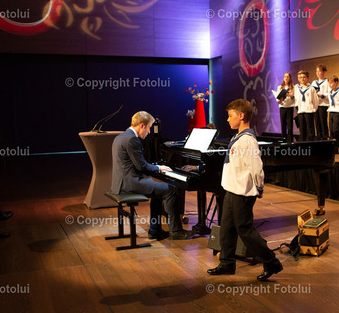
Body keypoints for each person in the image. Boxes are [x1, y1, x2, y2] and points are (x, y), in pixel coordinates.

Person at [207, 99, 283, 281]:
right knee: (226, 228)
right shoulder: (238, 137)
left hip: (242, 192)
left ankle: (271, 262)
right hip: (231, 189)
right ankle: (227, 263)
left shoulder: (248, 140)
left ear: (241, 116)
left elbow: (256, 166)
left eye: (230, 115)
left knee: (245, 230)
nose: (227, 119)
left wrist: (259, 186)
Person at [110, 111, 194, 240]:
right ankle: (176, 231)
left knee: (158, 191)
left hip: (121, 183)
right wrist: (158, 168)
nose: (149, 132)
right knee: (170, 190)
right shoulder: (132, 140)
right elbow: (141, 166)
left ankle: (155, 230)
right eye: (149, 127)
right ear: (142, 125)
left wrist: (156, 168)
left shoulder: (121, 137)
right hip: (130, 184)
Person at [294, 70, 318, 141]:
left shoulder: (311, 88)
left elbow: (315, 100)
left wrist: (313, 109)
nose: (302, 79)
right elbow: (296, 99)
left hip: (309, 111)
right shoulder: (296, 87)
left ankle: (310, 144)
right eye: (301, 77)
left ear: (307, 78)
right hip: (301, 111)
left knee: (310, 129)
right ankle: (303, 144)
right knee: (302, 129)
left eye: (304, 77)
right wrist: (297, 109)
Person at [312, 65, 330, 139]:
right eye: (317, 71)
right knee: (317, 123)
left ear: (324, 72)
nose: (317, 73)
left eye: (319, 71)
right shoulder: (314, 82)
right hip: (316, 105)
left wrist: (322, 95)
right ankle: (319, 138)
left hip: (323, 104)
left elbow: (330, 93)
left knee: (323, 122)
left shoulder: (327, 82)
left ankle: (325, 137)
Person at [276, 72, 295, 143]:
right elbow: (277, 98)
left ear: (290, 78)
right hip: (282, 107)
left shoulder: (293, 87)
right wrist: (279, 99)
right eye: (285, 77)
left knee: (290, 125)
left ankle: (290, 141)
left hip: (290, 107)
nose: (286, 78)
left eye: (287, 77)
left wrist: (290, 95)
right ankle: (283, 140)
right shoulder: (280, 87)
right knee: (283, 124)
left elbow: (295, 97)